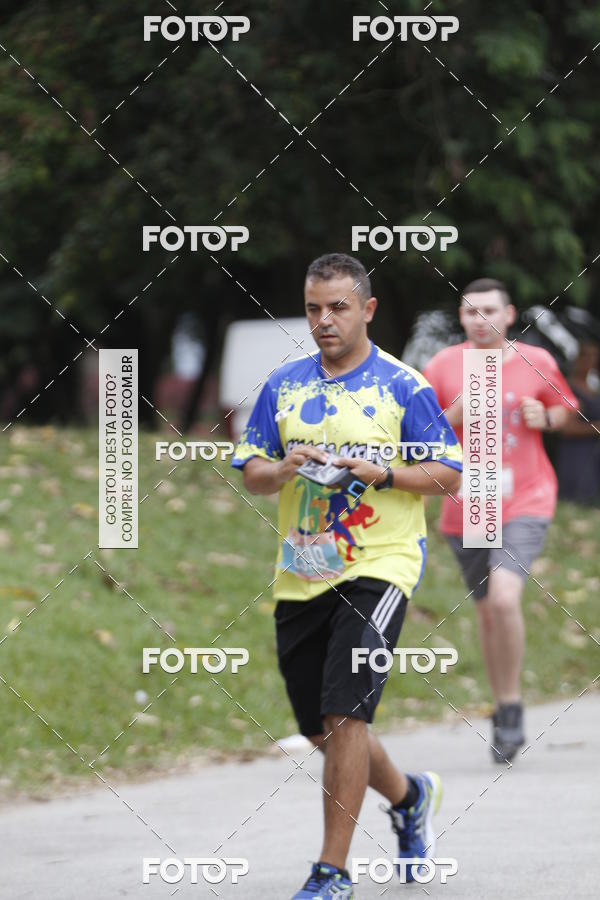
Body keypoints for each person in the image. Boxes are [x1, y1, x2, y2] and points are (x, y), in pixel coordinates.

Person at [232, 253, 462, 898]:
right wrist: (283, 468)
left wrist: (381, 474)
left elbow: (449, 473)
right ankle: (411, 796)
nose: (324, 320)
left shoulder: (403, 385)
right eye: (313, 308)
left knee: (345, 716)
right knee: (320, 729)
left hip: (381, 565)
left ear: (368, 308)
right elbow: (250, 469)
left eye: (337, 307)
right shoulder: (284, 385)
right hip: (303, 570)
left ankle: (331, 872)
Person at [423, 278, 578, 763]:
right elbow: (416, 432)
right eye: (470, 311)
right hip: (470, 499)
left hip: (526, 496)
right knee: (489, 611)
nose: (480, 318)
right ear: (462, 318)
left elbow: (567, 410)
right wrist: (453, 413)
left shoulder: (538, 360)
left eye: (489, 309)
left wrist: (546, 418)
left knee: (506, 597)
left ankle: (510, 708)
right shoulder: (444, 365)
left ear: (509, 314)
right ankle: (501, 703)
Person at [557, 341, 600, 504]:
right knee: (577, 500)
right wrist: (595, 428)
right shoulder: (569, 388)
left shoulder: (593, 389)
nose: (590, 361)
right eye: (586, 356)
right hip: (576, 455)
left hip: (592, 455)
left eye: (594, 357)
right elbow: (566, 428)